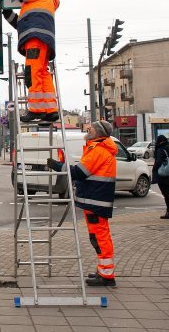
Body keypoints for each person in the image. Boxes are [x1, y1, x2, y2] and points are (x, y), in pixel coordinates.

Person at [48, 119, 117, 286]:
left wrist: (59, 166)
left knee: (100, 238)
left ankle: (107, 276)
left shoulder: (98, 150)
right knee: (98, 237)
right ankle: (104, 271)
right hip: (95, 200)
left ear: (99, 133)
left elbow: (79, 172)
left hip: (96, 201)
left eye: (92, 128)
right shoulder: (97, 148)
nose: (89, 129)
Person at [0, 0, 61, 122]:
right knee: (42, 73)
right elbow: (21, 24)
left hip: (35, 39)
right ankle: (50, 110)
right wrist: (7, 14)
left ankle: (36, 110)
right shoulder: (37, 4)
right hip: (42, 41)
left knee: (32, 72)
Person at [152, 134, 169, 219]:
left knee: (165, 193)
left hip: (161, 173)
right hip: (166, 173)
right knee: (167, 192)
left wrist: (154, 168)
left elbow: (158, 161)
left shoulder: (161, 149)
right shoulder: (167, 148)